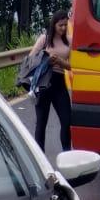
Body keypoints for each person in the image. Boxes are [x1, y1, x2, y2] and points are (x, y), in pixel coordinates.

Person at [32, 9, 72, 155]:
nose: (63, 28)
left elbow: (72, 66)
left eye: (65, 25)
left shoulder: (69, 40)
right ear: (54, 24)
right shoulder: (44, 39)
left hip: (59, 82)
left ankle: (67, 154)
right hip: (44, 83)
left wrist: (61, 62)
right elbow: (31, 58)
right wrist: (46, 60)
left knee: (66, 121)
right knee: (41, 123)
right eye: (60, 25)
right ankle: (39, 157)